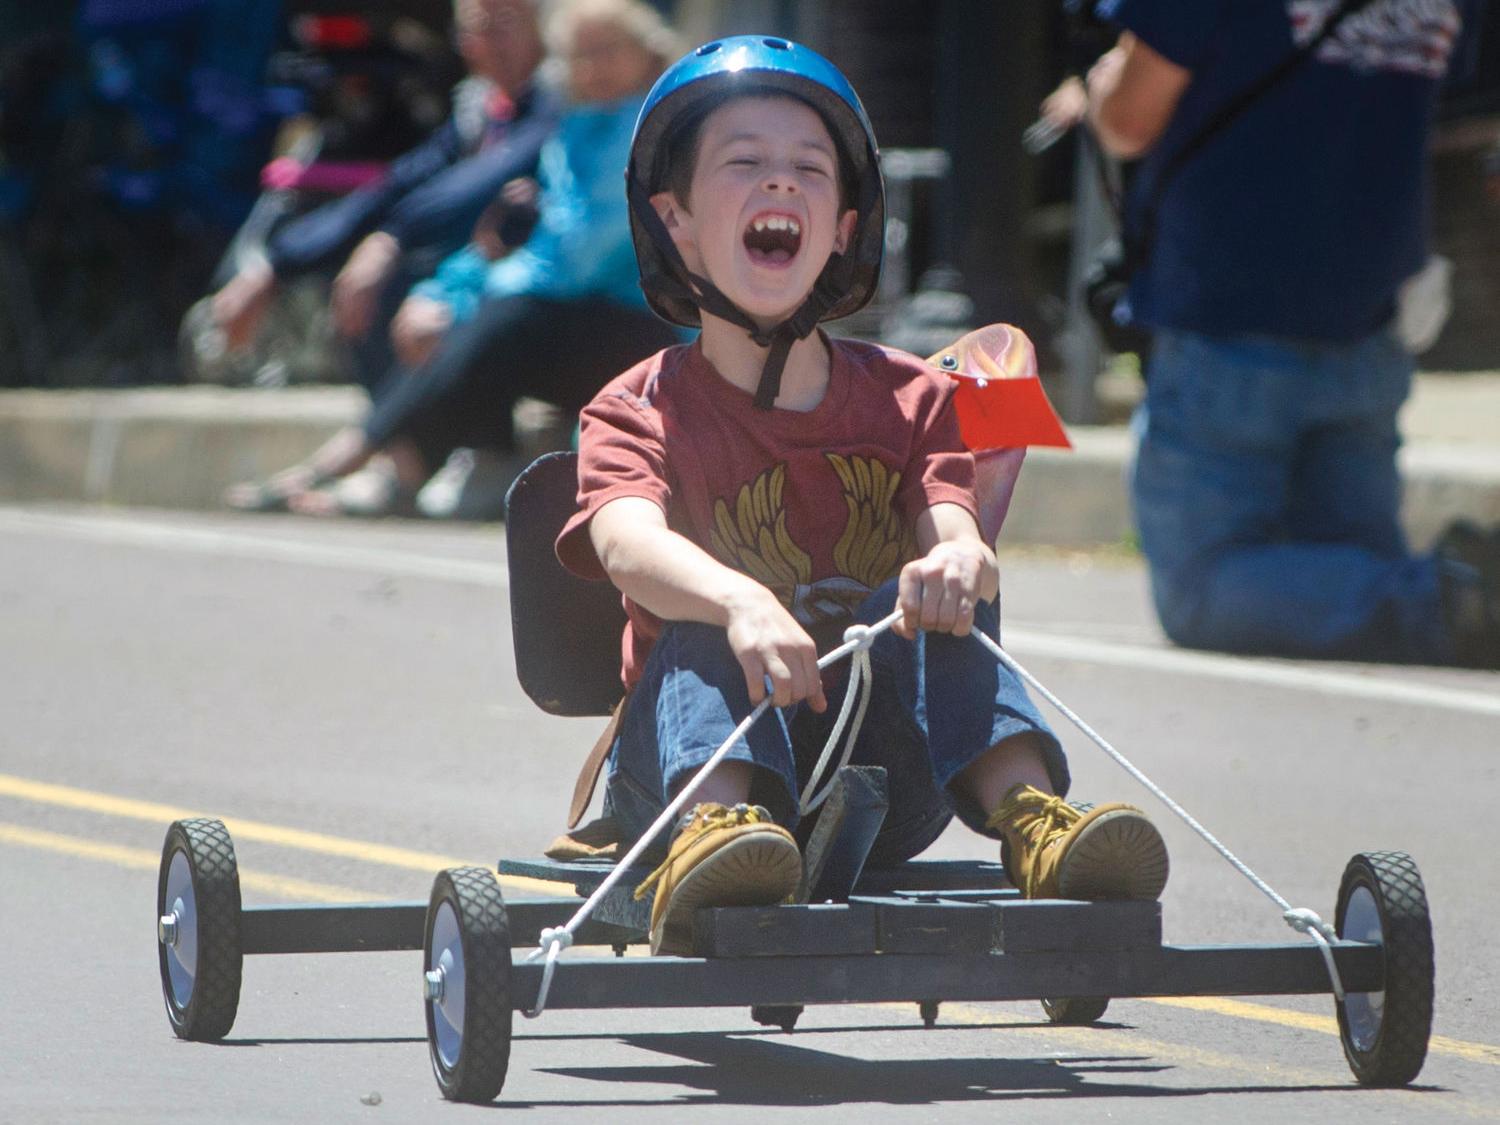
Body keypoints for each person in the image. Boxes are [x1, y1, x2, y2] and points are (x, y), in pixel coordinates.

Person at [553, 38, 1171, 957]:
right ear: (676, 219)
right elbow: (625, 542)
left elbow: (952, 524)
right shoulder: (636, 405)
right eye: (744, 163)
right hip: (679, 777)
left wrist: (960, 557)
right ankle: (719, 839)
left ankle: (1035, 824)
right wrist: (740, 599)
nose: (781, 185)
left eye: (809, 169)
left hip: (881, 781)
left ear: (844, 226)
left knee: (927, 598)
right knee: (702, 618)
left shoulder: (913, 398)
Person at [1086, 0, 1499, 668]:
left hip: (1228, 313)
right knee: (1356, 585)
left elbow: (1128, 117)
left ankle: (1452, 598)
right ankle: (1451, 595)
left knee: (1201, 589)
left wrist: (1100, 85)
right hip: (1367, 318)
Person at [227, 0, 685, 518]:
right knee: (439, 300)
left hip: (656, 331)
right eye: (581, 55)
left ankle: (372, 460)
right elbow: (508, 235)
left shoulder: (655, 131)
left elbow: (580, 258)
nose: (593, 67)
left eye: (609, 50)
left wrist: (469, 296)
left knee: (509, 316)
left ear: (650, 55)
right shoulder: (574, 128)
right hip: (574, 315)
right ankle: (417, 460)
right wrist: (446, 292)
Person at [209, 0, 560, 397]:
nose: (491, 43)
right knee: (357, 282)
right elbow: (399, 182)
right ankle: (408, 453)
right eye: (478, 29)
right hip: (474, 270)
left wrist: (392, 239)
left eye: (506, 25)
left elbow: (477, 183)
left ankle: (443, 450)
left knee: (397, 290)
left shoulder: (559, 99)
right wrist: (276, 265)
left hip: (549, 280)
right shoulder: (479, 108)